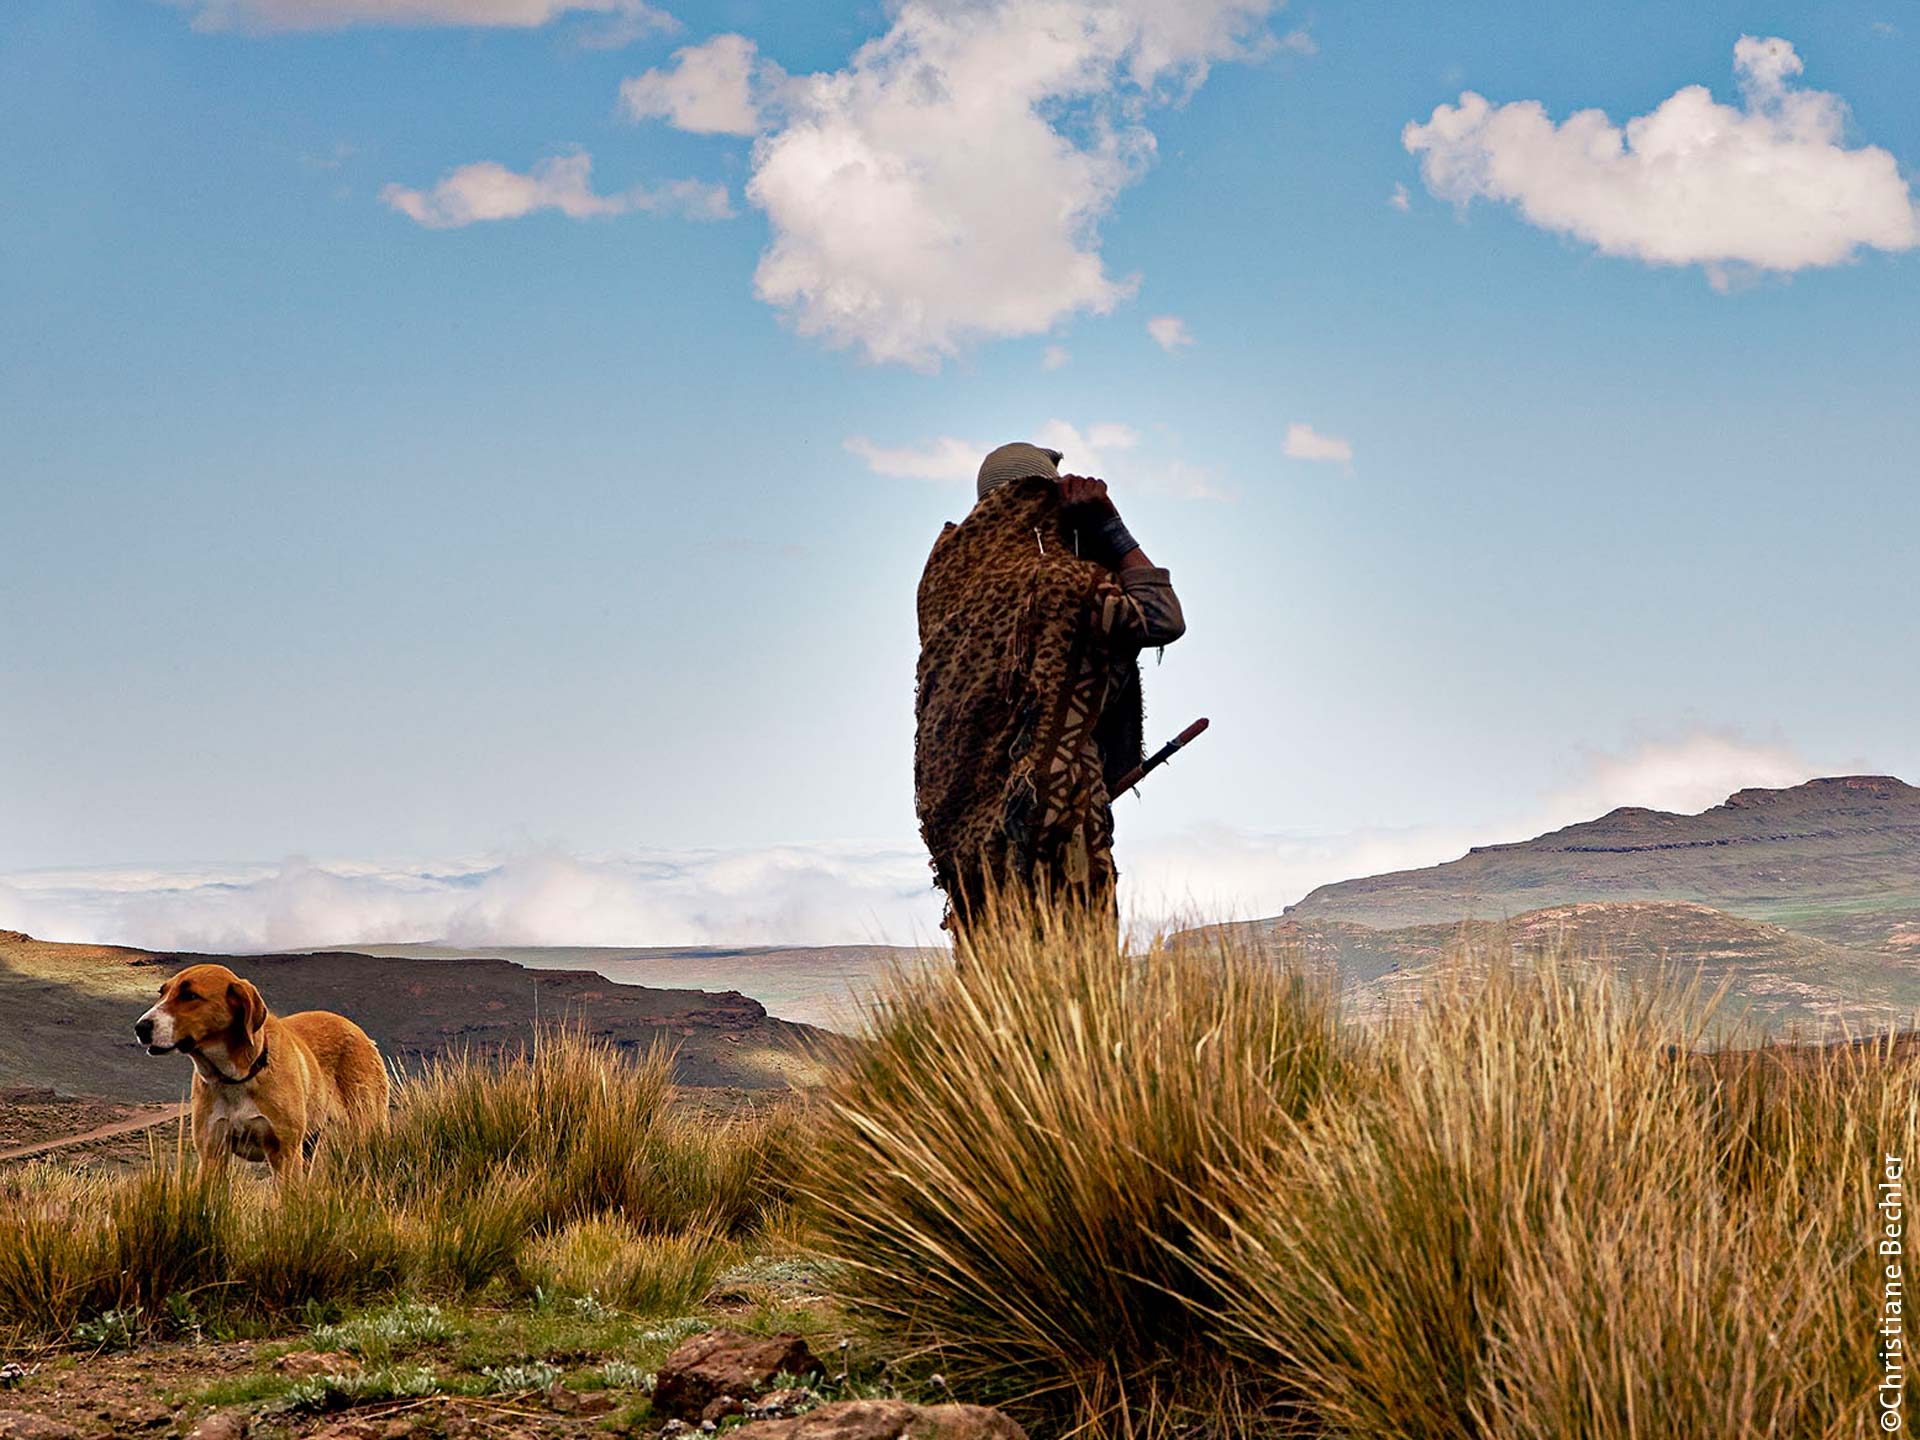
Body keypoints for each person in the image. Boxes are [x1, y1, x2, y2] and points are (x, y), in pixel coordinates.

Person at [913, 441, 1186, 929]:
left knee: (994, 978)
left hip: (965, 833)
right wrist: (1109, 529)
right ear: (1047, 505)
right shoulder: (1062, 583)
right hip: (1055, 819)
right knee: (1073, 978)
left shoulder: (945, 596)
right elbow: (1162, 619)